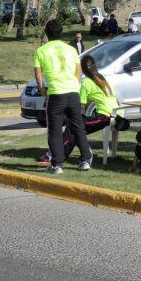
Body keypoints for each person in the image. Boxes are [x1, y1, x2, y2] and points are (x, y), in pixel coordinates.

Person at [36, 54, 120, 164]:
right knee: (75, 126)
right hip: (115, 115)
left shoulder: (86, 82)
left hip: (104, 117)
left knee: (73, 126)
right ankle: (65, 154)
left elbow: (79, 105)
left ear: (82, 69)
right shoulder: (102, 78)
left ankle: (56, 155)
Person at [34, 19, 93, 174]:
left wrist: (43, 92)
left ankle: (57, 164)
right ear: (61, 33)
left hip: (56, 94)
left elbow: (38, 77)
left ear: (47, 34)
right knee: (78, 126)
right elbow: (79, 71)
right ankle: (86, 159)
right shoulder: (71, 49)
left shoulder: (41, 51)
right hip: (73, 92)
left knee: (54, 129)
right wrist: (75, 85)